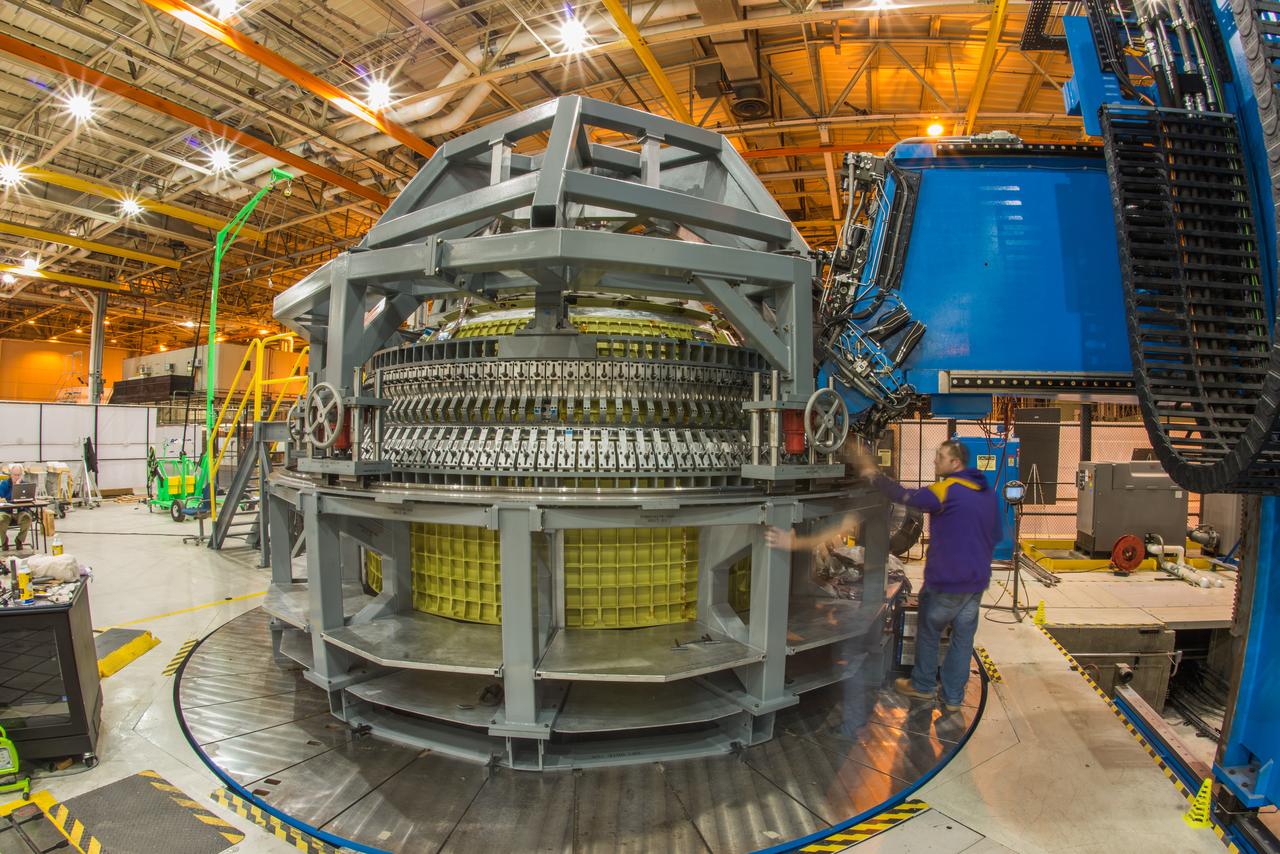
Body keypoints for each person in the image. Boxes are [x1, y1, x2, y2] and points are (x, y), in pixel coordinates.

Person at [860, 439, 1000, 711]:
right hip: (976, 581)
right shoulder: (986, 493)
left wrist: (874, 477)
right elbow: (996, 534)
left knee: (929, 630)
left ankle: (923, 686)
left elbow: (906, 497)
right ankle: (953, 698)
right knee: (963, 638)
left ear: (955, 463)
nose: (935, 460)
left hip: (947, 581)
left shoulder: (945, 490)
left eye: (940, 456)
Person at [0, 464, 33, 551]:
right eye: (15, 475)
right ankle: (4, 541)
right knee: (1, 520)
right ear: (10, 474)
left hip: (20, 511)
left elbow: (29, 498)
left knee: (28, 518)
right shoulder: (4, 484)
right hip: (6, 511)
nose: (17, 477)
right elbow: (2, 498)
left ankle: (19, 540)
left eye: (19, 475)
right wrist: (16, 487)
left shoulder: (25, 485)